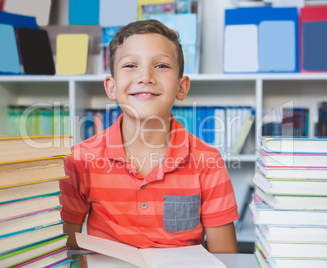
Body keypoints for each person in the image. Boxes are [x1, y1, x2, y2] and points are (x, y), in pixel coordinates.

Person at [60, 19, 239, 253]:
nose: (146, 76)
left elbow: (225, 258)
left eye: (162, 66)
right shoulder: (80, 159)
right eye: (130, 65)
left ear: (181, 87)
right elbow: (65, 249)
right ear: (112, 87)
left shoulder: (208, 161)